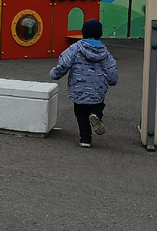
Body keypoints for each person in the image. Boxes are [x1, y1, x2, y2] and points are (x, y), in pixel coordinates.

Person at [49, 18, 118, 148]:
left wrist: (55, 74)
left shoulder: (75, 48)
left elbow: (64, 63)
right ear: (99, 34)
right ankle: (96, 115)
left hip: (79, 88)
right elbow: (111, 68)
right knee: (98, 105)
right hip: (98, 88)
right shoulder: (104, 52)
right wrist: (113, 81)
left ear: (83, 32)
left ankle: (85, 139)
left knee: (81, 114)